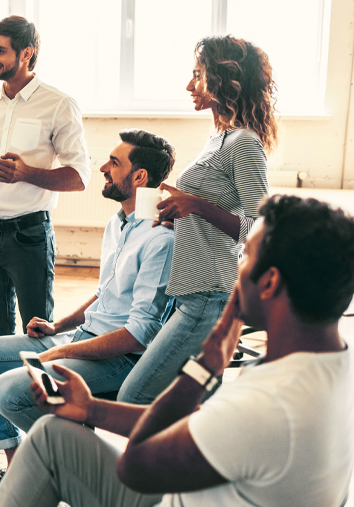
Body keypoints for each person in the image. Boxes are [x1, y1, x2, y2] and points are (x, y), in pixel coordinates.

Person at [0, 194, 354, 507]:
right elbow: (202, 427)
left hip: (169, 495)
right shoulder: (333, 363)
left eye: (244, 258)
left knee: (47, 442)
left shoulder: (268, 406)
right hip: (202, 486)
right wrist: (92, 409)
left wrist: (206, 364)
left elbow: (135, 469)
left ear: (270, 282)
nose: (237, 270)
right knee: (54, 434)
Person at [0, 129, 176, 503]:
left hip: (118, 358)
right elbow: (105, 296)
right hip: (80, 339)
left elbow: (140, 334)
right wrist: (59, 328)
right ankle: (21, 463)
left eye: (114, 163)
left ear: (139, 177)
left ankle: (73, 464)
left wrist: (62, 353)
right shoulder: (117, 225)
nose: (103, 168)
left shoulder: (160, 239)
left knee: (7, 390)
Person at [0, 15, 91, 442]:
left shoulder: (59, 104)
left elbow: (79, 176)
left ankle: (45, 421)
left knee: (37, 332)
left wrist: (28, 173)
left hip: (29, 235)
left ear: (26, 53)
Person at [118, 35, 278, 404]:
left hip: (210, 294)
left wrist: (197, 206)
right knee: (189, 406)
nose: (190, 85)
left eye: (198, 75)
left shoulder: (244, 143)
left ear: (222, 81)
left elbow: (261, 231)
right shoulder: (217, 138)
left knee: (135, 395)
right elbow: (215, 210)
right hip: (191, 292)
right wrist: (182, 213)